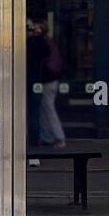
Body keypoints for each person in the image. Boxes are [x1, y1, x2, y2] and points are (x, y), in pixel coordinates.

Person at [27, 17, 67, 148]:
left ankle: (58, 137)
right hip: (48, 79)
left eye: (35, 27)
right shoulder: (48, 41)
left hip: (46, 80)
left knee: (48, 109)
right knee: (44, 110)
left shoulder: (42, 41)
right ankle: (48, 137)